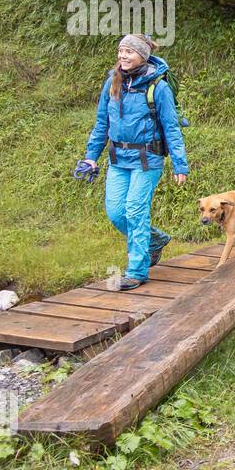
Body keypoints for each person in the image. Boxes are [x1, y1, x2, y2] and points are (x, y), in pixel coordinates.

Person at [78, 34, 189, 290]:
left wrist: (180, 164)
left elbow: (171, 127)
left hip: (147, 159)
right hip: (118, 159)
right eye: (121, 50)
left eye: (129, 51)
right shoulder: (112, 83)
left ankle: (137, 271)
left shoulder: (157, 87)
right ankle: (155, 239)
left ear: (142, 55)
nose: (123, 56)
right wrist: (90, 157)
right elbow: (101, 124)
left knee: (135, 212)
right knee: (117, 213)